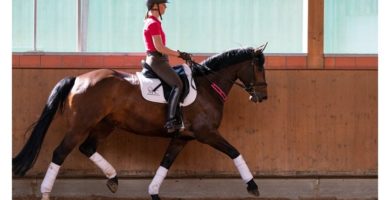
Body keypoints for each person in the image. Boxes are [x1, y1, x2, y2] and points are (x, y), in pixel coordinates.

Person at [143, 0, 192, 134]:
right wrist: (179, 54)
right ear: (156, 6)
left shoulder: (154, 22)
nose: (165, 7)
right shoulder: (153, 23)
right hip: (157, 61)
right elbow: (160, 48)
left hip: (159, 60)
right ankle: (171, 120)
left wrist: (178, 53)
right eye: (164, 4)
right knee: (178, 85)